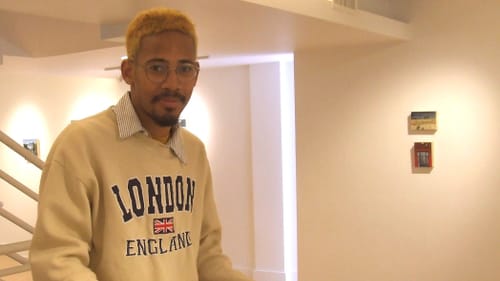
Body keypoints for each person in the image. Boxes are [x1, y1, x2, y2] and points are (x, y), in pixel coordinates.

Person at [30, 7, 253, 281]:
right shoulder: (80, 145)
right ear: (128, 71)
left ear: (195, 75)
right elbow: (57, 261)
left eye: (184, 68)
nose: (173, 83)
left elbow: (207, 254)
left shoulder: (194, 152)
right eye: (157, 68)